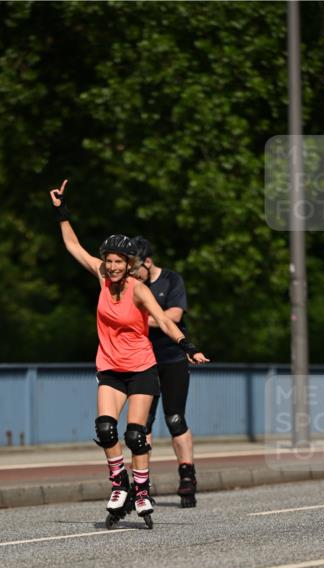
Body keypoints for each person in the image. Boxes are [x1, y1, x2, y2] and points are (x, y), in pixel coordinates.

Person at [48, 179, 210, 526]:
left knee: (136, 434)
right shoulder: (101, 277)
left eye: (119, 262)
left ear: (129, 263)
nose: (113, 266)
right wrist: (62, 211)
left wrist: (187, 346)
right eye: (109, 261)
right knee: (106, 428)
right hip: (110, 366)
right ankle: (119, 484)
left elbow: (165, 322)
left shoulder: (138, 290)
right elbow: (73, 246)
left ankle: (140, 491)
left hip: (141, 368)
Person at [131, 236, 199, 507]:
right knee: (142, 424)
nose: (133, 275)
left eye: (136, 269)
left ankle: (187, 476)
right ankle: (142, 482)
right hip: (143, 360)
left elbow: (174, 316)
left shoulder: (171, 280)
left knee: (174, 418)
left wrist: (141, 318)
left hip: (172, 359)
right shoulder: (132, 286)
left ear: (148, 262)